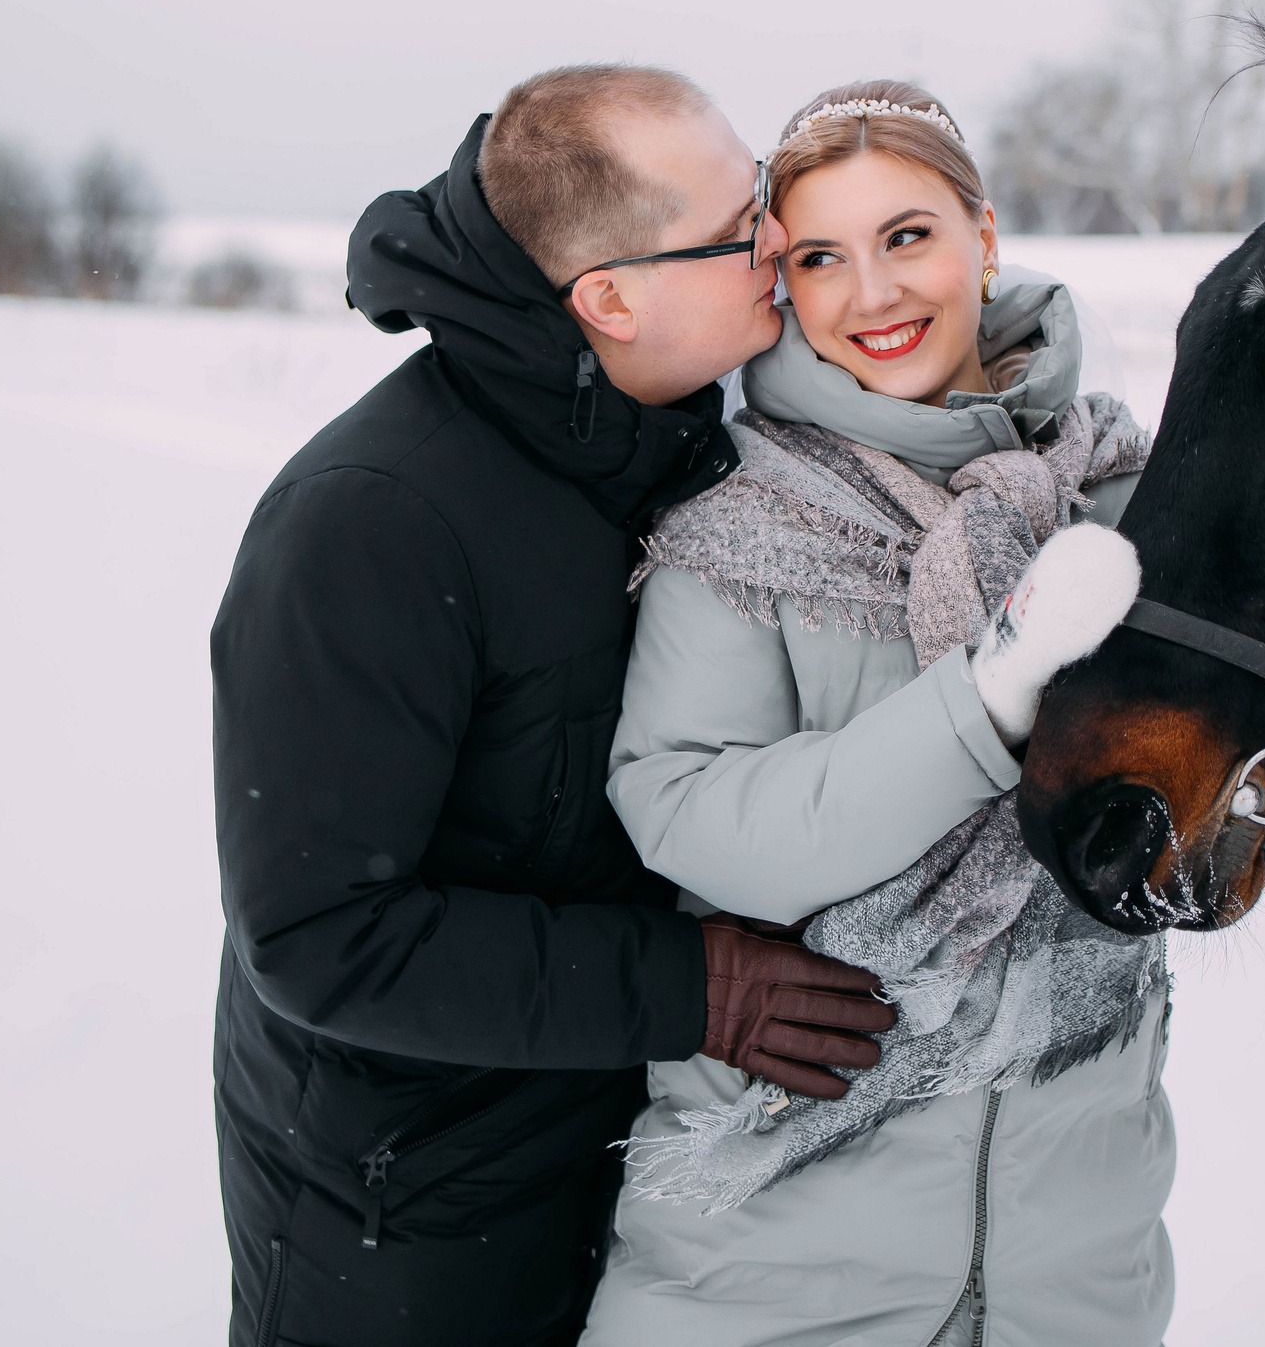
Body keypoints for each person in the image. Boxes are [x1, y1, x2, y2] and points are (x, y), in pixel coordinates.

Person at [210, 65, 900, 1347]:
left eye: (763, 195)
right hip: (407, 1211)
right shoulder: (373, 525)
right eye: (736, 224)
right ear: (610, 299)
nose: (777, 240)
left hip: (636, 1151)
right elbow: (320, 936)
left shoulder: (694, 436)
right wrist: (691, 987)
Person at [582, 81, 1177, 1347]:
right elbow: (692, 815)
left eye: (907, 235)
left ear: (985, 236)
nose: (873, 294)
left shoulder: (1130, 494)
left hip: (1077, 1269)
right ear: (782, 282)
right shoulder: (744, 518)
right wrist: (985, 702)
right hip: (768, 1274)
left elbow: (1189, 812)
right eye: (818, 258)